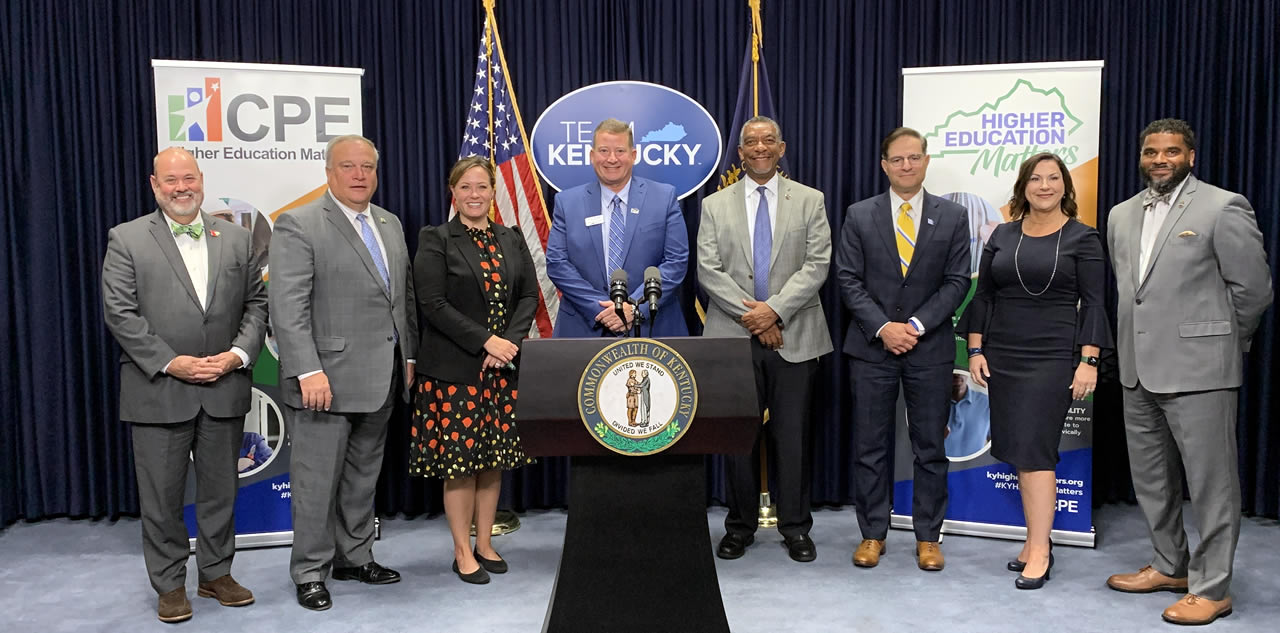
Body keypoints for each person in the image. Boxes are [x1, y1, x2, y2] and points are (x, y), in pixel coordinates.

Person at [1104, 119, 1272, 625]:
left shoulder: (1223, 206)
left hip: (1202, 371)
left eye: (1172, 151)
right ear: (1141, 157)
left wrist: (1225, 343)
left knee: (1212, 484)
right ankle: (1169, 564)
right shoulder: (1120, 214)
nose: (1161, 159)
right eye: (1152, 151)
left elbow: (1254, 290)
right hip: (1138, 370)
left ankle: (1213, 586)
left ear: (1191, 156)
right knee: (1152, 479)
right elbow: (1131, 292)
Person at [101, 147, 267, 622]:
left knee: (221, 492)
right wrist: (171, 363)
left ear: (202, 180)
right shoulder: (127, 238)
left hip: (223, 386)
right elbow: (120, 313)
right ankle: (171, 583)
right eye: (170, 180)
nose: (181, 188)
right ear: (155, 186)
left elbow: (257, 304)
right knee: (162, 498)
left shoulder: (236, 238)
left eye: (188, 178)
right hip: (157, 389)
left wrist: (236, 355)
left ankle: (216, 574)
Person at [269, 135, 418, 611]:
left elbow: (403, 299)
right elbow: (286, 307)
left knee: (361, 476)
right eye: (349, 166)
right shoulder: (300, 223)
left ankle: (354, 556)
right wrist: (307, 369)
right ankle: (310, 570)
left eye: (368, 167)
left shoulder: (389, 223)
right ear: (329, 173)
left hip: (383, 377)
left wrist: (409, 358)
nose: (359, 175)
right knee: (315, 483)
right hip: (324, 381)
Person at [960, 152, 1112, 590]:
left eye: (1053, 178)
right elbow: (983, 296)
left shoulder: (1084, 238)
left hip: (1053, 357)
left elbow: (1096, 304)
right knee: (1017, 451)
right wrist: (975, 350)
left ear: (1065, 186)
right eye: (1035, 179)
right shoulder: (1003, 235)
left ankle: (1041, 552)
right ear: (1023, 186)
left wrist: (1088, 360)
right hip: (1003, 354)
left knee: (1035, 452)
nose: (1044, 186)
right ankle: (1033, 541)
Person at [835, 127, 970, 571]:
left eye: (914, 158)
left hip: (928, 349)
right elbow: (848, 280)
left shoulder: (952, 216)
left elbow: (956, 282)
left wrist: (913, 325)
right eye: (897, 159)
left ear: (926, 161)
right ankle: (872, 533)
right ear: (884, 165)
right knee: (870, 446)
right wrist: (883, 327)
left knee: (929, 446)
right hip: (872, 349)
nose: (906, 165)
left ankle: (929, 536)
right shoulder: (859, 214)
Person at [699, 116, 832, 563]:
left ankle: (795, 527)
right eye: (751, 142)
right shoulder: (715, 205)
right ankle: (739, 527)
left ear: (782, 148)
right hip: (731, 338)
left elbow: (817, 266)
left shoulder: (810, 201)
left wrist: (774, 310)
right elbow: (708, 271)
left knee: (792, 437)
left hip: (796, 334)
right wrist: (755, 317)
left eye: (768, 140)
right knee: (739, 437)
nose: (759, 147)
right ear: (740, 153)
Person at [410, 156, 537, 585]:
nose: (474, 194)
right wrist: (486, 341)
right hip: (453, 371)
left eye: (482, 186)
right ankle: (462, 551)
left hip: (501, 369)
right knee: (461, 464)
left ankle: (485, 543)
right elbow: (432, 304)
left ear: (493, 191)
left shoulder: (512, 237)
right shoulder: (437, 239)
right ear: (454, 192)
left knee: (492, 462)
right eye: (465, 187)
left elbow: (528, 297)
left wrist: (509, 345)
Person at [546, 118, 689, 337]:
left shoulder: (664, 197)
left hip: (651, 327)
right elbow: (557, 264)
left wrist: (634, 307)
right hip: (584, 328)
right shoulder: (567, 202)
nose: (612, 159)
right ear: (592, 156)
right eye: (604, 150)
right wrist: (601, 309)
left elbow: (676, 261)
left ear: (633, 155)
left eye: (620, 151)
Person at [944, 373, 990, 458]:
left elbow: (998, 443)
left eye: (961, 370)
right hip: (939, 467)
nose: (957, 375)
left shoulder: (987, 403)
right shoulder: (932, 404)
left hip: (975, 467)